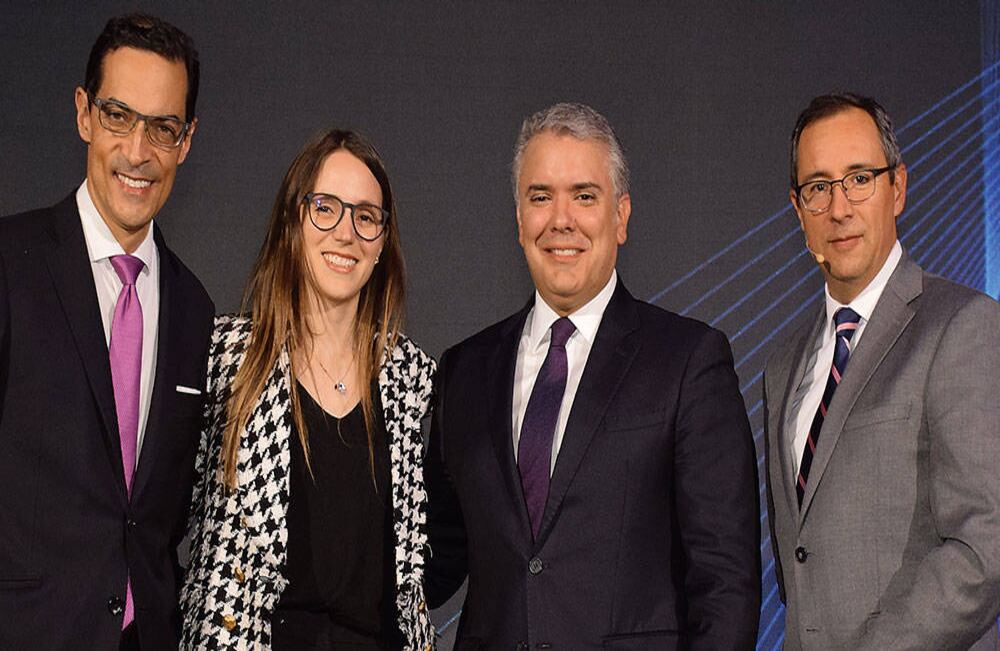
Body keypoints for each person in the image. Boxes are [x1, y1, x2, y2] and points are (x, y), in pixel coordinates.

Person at [425, 102, 761, 649]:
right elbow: (432, 561)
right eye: (540, 197)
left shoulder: (688, 361)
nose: (561, 220)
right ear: (518, 219)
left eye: (584, 196)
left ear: (621, 217)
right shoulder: (464, 370)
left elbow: (725, 583)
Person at [0, 14, 212, 651]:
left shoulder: (194, 311)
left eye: (162, 127)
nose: (139, 151)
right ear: (84, 114)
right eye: (119, 116)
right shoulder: (11, 264)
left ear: (187, 140)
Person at [180, 129, 435, 649]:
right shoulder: (225, 359)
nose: (346, 232)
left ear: (383, 242)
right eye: (326, 208)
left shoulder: (414, 380)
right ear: (293, 221)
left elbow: (437, 551)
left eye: (366, 216)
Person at [764, 92, 1000, 649]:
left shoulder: (965, 326)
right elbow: (799, 558)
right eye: (818, 188)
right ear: (798, 210)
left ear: (897, 188)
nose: (839, 208)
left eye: (859, 179)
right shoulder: (783, 365)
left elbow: (983, 545)